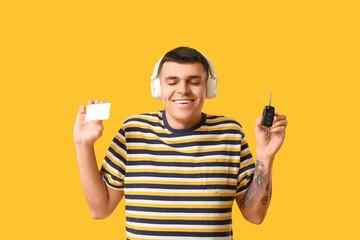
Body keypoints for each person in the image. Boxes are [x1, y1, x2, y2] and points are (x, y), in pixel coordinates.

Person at [73, 46, 288, 240]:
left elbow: (254, 215)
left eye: (194, 82)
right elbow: (100, 210)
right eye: (172, 82)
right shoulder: (132, 129)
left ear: (209, 88)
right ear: (158, 88)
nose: (183, 90)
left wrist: (265, 155)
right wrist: (83, 146)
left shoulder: (230, 133)